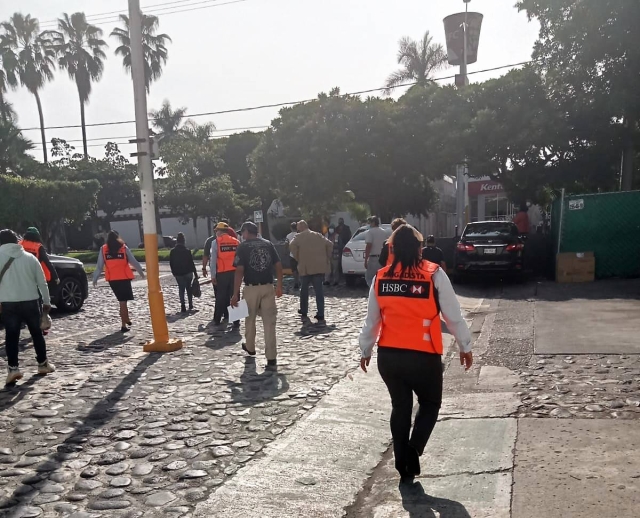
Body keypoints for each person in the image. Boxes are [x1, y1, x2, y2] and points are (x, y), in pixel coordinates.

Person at [359, 224, 473, 483]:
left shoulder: (381, 277)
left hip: (389, 356)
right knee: (430, 404)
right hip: (424, 356)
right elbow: (453, 316)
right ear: (420, 249)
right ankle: (414, 449)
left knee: (400, 407)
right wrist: (465, 345)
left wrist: (365, 349)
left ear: (392, 249)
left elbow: (371, 320)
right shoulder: (434, 275)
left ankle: (403, 464)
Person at [0, 229, 56, 385]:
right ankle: (43, 364)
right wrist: (46, 302)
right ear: (16, 241)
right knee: (37, 334)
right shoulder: (30, 258)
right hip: (31, 301)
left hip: (8, 302)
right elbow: (42, 282)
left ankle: (13, 368)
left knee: (11, 336)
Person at [231, 222, 283, 368]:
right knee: (269, 323)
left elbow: (239, 271)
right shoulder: (268, 244)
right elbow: (278, 266)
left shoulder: (242, 247)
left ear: (247, 232)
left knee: (249, 319)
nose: (242, 236)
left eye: (242, 233)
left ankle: (250, 347)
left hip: (251, 288)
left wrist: (235, 294)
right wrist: (279, 285)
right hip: (268, 287)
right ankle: (271, 357)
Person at [93, 230, 145, 333]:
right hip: (124, 278)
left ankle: (126, 319)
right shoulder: (123, 248)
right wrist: (141, 272)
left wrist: (95, 278)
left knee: (122, 301)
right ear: (118, 238)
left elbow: (99, 266)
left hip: (113, 280)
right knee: (123, 302)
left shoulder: (103, 249)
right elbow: (133, 261)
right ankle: (123, 323)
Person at [290, 220, 333, 326]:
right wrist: (326, 257)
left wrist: (298, 257)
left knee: (304, 291)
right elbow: (330, 244)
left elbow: (292, 246)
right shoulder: (318, 235)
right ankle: (321, 313)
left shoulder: (298, 237)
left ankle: (304, 311)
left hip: (305, 268)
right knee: (319, 291)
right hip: (318, 267)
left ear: (299, 228)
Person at [209, 222, 240, 329]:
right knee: (235, 295)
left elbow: (213, 261)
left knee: (221, 296)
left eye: (216, 231)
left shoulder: (216, 242)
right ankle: (236, 321)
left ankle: (217, 319)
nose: (216, 232)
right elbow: (239, 259)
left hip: (222, 273)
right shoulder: (236, 242)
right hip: (235, 273)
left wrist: (213, 275)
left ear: (220, 231)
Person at [169, 232, 198, 313]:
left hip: (178, 273)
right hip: (188, 272)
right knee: (189, 288)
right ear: (184, 241)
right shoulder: (187, 251)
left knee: (181, 289)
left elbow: (171, 263)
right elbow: (191, 263)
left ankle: (183, 305)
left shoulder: (173, 252)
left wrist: (173, 272)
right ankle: (190, 304)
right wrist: (195, 273)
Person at [364, 216, 389, 287]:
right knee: (380, 277)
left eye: (370, 222)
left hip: (373, 258)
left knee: (369, 277)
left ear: (374, 223)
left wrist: (366, 260)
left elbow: (369, 245)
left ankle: (373, 291)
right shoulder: (384, 232)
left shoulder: (370, 232)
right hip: (382, 258)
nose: (369, 224)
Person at [285, 222, 299, 290]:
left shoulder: (288, 236)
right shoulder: (299, 235)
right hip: (299, 254)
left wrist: (287, 250)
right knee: (299, 268)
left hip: (292, 254)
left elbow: (286, 244)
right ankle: (299, 281)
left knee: (294, 269)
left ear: (291, 228)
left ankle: (296, 281)